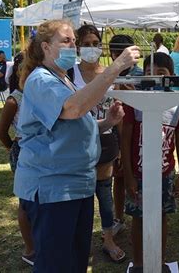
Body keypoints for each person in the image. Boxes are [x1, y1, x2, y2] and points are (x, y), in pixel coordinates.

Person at [13, 19, 140, 272]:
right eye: (66, 41)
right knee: (56, 263)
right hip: (53, 189)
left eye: (74, 41)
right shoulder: (41, 80)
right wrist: (116, 67)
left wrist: (106, 122)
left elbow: (76, 126)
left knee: (75, 261)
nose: (73, 46)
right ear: (46, 47)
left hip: (76, 186)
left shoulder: (63, 80)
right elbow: (72, 109)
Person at [121, 52, 179, 273]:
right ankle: (139, 263)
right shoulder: (134, 103)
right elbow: (126, 138)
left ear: (172, 76)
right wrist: (128, 176)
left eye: (161, 73)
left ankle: (158, 261)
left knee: (161, 216)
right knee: (138, 219)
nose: (155, 77)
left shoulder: (177, 106)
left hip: (164, 174)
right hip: (138, 175)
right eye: (149, 73)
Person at [71, 24, 125, 263]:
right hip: (77, 142)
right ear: (77, 47)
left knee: (104, 192)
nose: (92, 48)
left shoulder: (110, 73)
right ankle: (77, 241)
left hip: (106, 141)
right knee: (79, 194)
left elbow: (119, 112)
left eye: (95, 43)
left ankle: (108, 239)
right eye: (86, 44)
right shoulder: (69, 73)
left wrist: (121, 144)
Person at [0, 51, 35, 266]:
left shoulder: (39, 94)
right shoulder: (14, 99)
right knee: (25, 202)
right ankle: (30, 249)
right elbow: (2, 133)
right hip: (23, 151)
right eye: (27, 69)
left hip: (40, 152)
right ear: (19, 71)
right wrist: (13, 148)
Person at [108, 34, 142, 237]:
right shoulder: (108, 75)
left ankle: (139, 215)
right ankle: (118, 218)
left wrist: (134, 95)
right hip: (113, 132)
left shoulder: (140, 75)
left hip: (135, 133)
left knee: (136, 173)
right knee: (118, 177)